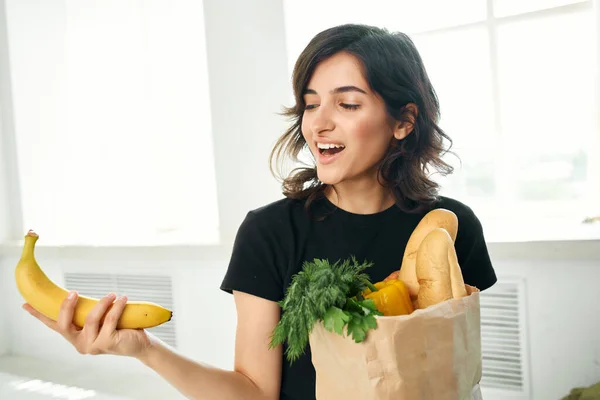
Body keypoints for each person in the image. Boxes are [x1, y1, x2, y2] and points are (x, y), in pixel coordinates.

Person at [23, 23, 497, 400]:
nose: (319, 122)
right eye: (310, 105)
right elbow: (253, 393)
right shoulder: (270, 232)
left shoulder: (450, 229)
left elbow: (452, 365)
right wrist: (146, 350)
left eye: (347, 103)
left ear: (404, 121)